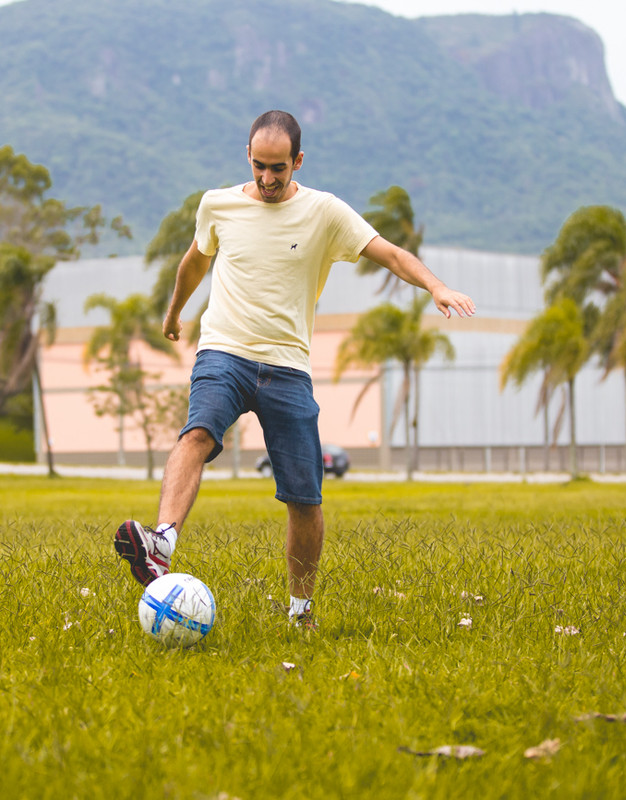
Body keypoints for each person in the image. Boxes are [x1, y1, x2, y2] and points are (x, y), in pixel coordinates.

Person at [115, 110, 475, 625]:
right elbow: (194, 260)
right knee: (197, 432)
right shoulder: (217, 204)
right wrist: (174, 313)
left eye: (278, 168)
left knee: (304, 497)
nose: (267, 178)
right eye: (259, 166)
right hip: (224, 352)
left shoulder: (325, 212)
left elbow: (390, 253)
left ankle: (300, 610)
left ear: (298, 161)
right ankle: (161, 542)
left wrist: (436, 286)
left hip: (287, 367)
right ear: (247, 156)